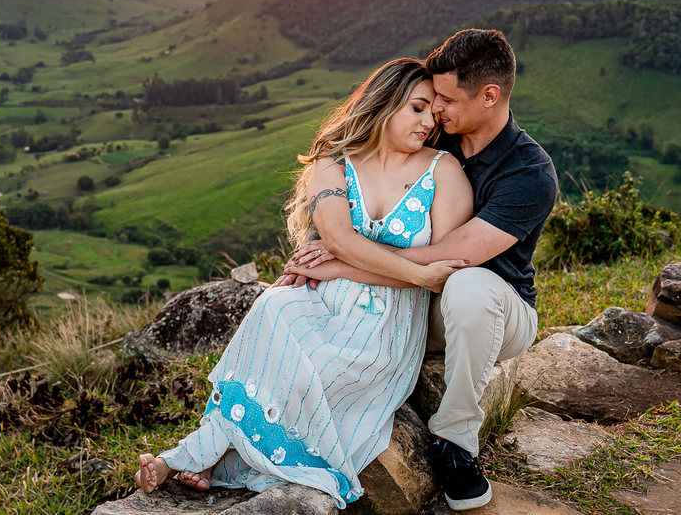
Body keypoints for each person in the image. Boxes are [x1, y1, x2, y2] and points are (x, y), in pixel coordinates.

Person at [134, 57, 474, 508]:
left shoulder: (443, 171)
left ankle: (192, 457)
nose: (429, 122)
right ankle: (200, 456)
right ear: (385, 104)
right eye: (417, 108)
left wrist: (340, 263)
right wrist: (394, 264)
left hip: (386, 320)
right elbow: (336, 236)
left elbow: (440, 268)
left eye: (434, 113)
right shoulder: (333, 162)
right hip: (320, 299)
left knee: (311, 371)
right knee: (272, 309)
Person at [291, 29, 557, 511]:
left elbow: (452, 255)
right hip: (408, 297)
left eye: (448, 100)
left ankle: (455, 441)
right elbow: (369, 186)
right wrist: (323, 246)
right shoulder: (436, 141)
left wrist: (343, 259)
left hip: (497, 312)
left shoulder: (529, 173)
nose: (436, 111)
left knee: (468, 285)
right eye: (433, 99)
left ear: (490, 96)